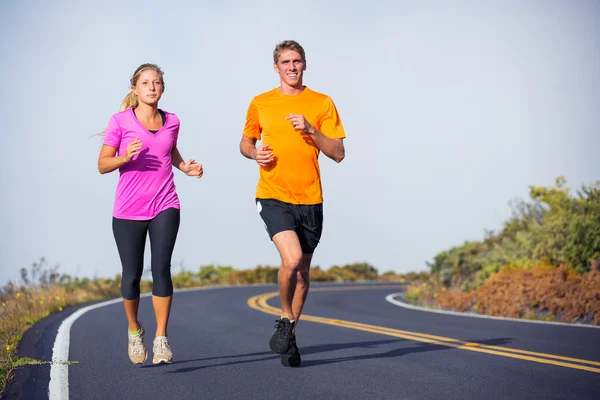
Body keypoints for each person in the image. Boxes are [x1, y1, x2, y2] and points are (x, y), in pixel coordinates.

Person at [239, 40, 346, 367]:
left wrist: (311, 129)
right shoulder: (261, 102)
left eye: (297, 61)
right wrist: (254, 153)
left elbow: (338, 153)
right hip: (273, 193)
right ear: (276, 67)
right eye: (285, 62)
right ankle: (286, 319)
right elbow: (246, 142)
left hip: (310, 199)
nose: (292, 67)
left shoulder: (321, 102)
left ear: (304, 64)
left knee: (302, 273)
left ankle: (291, 335)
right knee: (293, 258)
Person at [97, 63, 203, 365]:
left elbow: (170, 152)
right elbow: (102, 164)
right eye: (145, 83)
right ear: (135, 89)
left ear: (162, 88)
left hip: (165, 204)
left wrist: (186, 167)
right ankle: (134, 330)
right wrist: (123, 157)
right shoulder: (120, 122)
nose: (152, 87)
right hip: (128, 209)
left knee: (161, 269)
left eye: (156, 83)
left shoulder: (172, 121)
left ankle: (160, 339)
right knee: (131, 276)